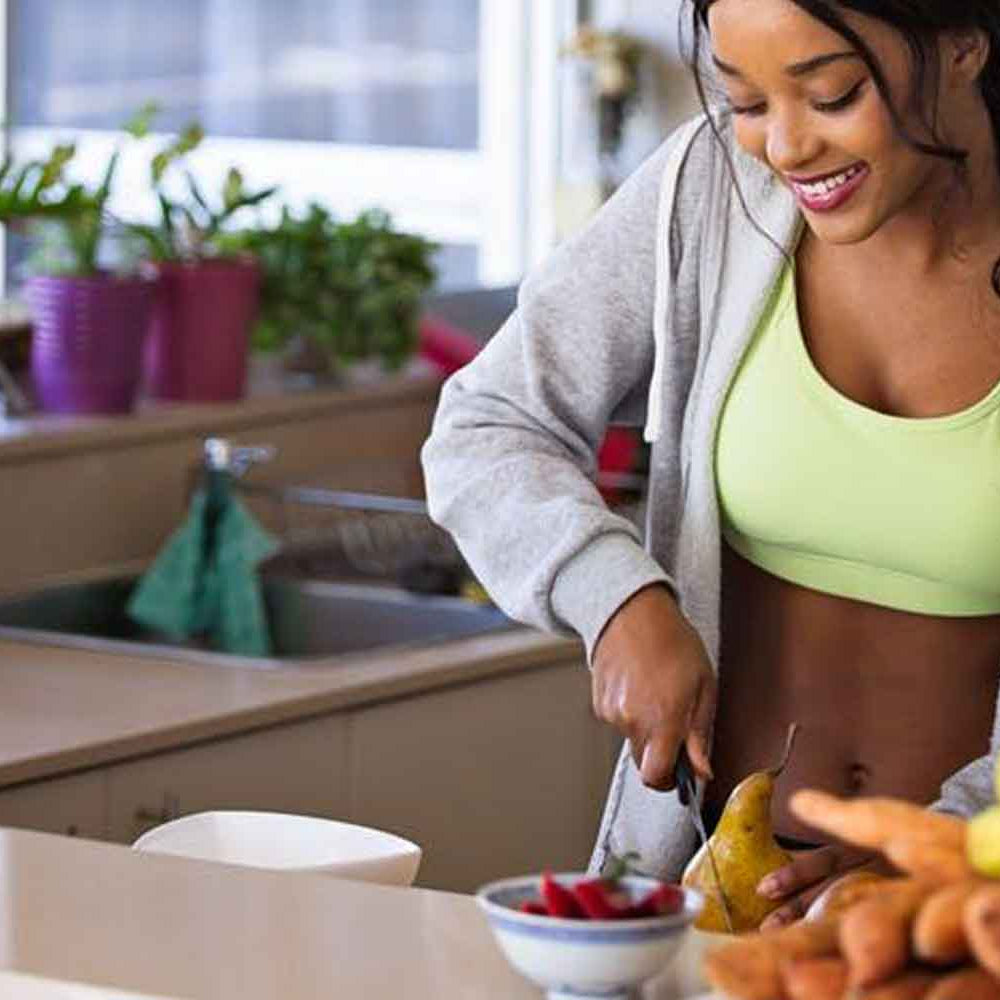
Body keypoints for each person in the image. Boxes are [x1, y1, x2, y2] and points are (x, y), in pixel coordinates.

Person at [421, 0, 1000, 927]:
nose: (786, 147)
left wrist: (947, 853)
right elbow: (487, 422)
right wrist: (616, 598)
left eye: (832, 94)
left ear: (964, 44)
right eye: (747, 100)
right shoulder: (710, 186)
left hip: (967, 915)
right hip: (710, 901)